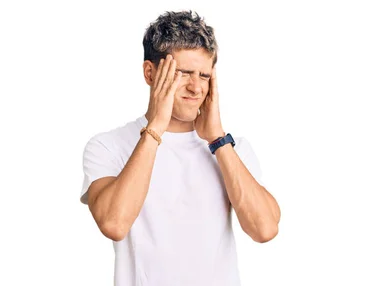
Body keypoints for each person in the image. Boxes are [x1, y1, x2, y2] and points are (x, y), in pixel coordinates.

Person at [80, 10, 281, 286]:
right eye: (183, 73)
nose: (196, 87)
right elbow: (114, 224)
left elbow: (265, 229)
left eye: (204, 75)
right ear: (150, 73)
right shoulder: (108, 146)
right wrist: (156, 128)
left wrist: (218, 140)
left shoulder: (231, 149)